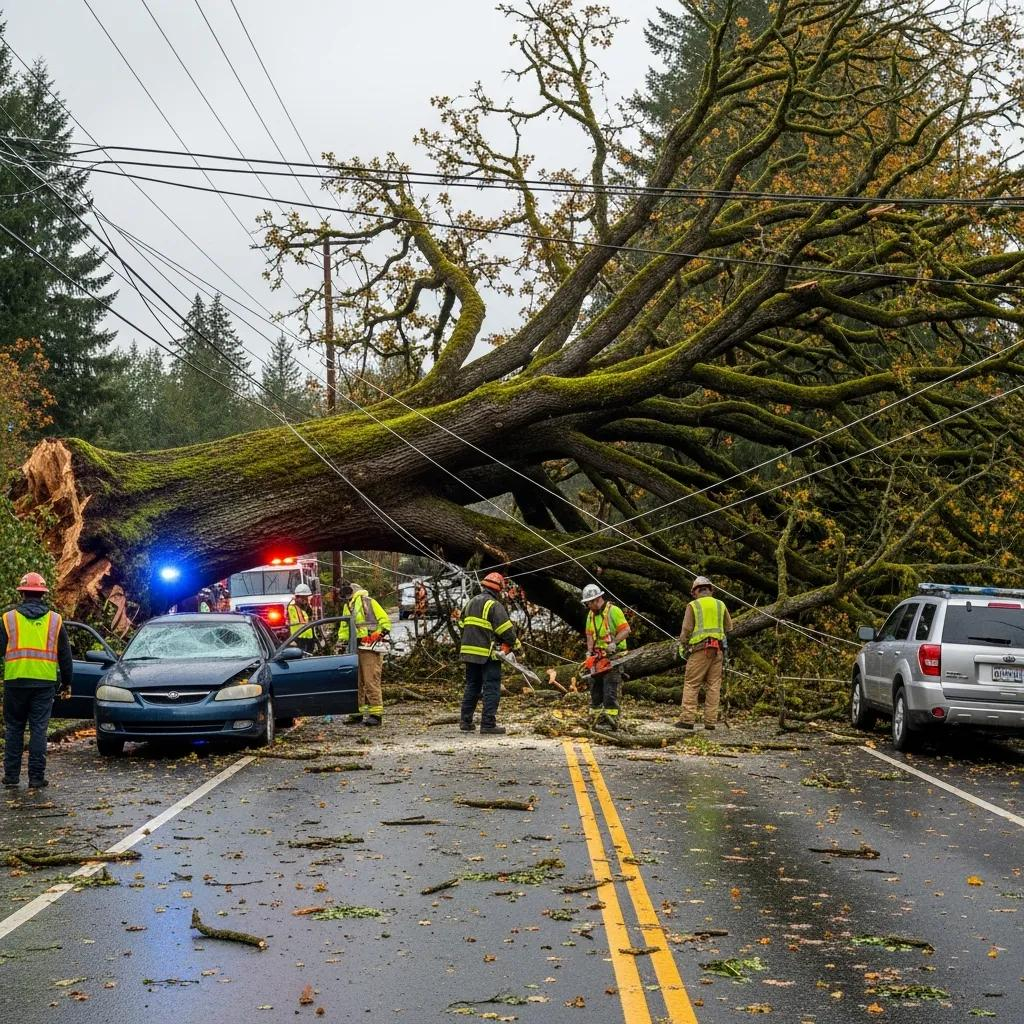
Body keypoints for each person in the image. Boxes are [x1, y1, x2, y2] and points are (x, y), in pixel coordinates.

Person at [1, 572, 74, 789]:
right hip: (44, 683)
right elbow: (65, 655)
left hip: (15, 681)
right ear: (43, 594)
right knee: (38, 730)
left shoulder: (8, 619)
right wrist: (67, 682)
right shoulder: (55, 620)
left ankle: (12, 777)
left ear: (22, 592)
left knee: (14, 729)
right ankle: (36, 777)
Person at [458, 572, 518, 735]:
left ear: (484, 585)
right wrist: (515, 644)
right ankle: (488, 724)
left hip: (468, 652)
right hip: (487, 653)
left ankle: (465, 721)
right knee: (491, 686)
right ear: (499, 589)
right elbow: (506, 631)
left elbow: (461, 624)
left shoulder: (470, 602)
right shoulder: (494, 605)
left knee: (472, 685)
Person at [676, 576, 733, 731]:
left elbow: (686, 629)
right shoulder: (720, 604)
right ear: (711, 590)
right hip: (718, 650)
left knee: (691, 684)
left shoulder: (693, 605)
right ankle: (710, 722)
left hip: (700, 650)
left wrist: (682, 644)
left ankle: (687, 720)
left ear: (694, 592)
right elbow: (729, 627)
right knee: (714, 686)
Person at [336, 579, 391, 726]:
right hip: (354, 648)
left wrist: (377, 635)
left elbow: (385, 621)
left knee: (370, 680)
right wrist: (341, 643)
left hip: (369, 647)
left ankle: (376, 714)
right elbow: (344, 627)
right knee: (356, 681)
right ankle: (357, 713)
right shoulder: (348, 606)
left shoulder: (368, 601)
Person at [581, 583, 630, 732]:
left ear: (597, 599)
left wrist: (614, 643)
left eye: (589, 603)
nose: (588, 606)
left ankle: (611, 720)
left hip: (614, 656)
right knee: (595, 689)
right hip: (598, 656)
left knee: (610, 690)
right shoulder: (590, 615)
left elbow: (626, 630)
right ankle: (596, 718)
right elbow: (589, 635)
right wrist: (589, 652)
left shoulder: (613, 611)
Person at [286, 583, 316, 653]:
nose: (306, 599)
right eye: (304, 597)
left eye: (306, 597)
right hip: (299, 637)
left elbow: (309, 618)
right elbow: (299, 622)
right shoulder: (292, 607)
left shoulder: (304, 606)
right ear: (298, 597)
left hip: (307, 636)